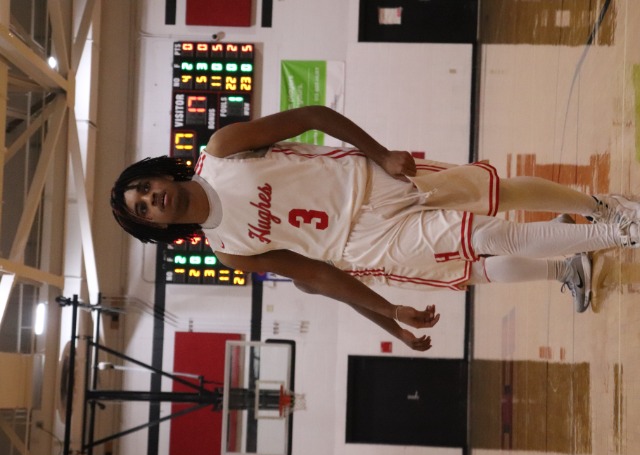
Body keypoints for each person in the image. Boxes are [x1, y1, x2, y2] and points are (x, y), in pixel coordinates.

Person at [111, 106, 640, 351]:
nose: (152, 200)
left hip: (370, 181)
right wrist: (389, 315)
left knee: (497, 191)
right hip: (365, 244)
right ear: (153, 226)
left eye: (146, 189)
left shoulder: (223, 150)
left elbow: (314, 115)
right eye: (143, 209)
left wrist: (380, 153)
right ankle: (620, 234)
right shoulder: (229, 250)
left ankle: (602, 207)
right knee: (487, 241)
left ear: (159, 174)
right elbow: (317, 277)